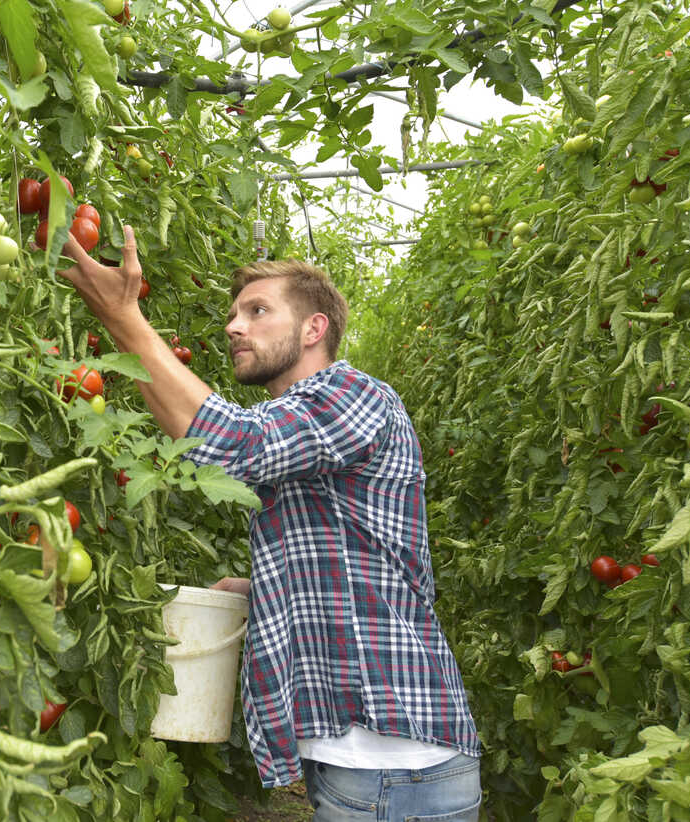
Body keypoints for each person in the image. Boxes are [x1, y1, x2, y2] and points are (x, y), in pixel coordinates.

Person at [59, 226, 482, 821]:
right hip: (366, 767)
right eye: (234, 314)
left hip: (395, 767)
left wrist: (123, 315)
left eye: (258, 311)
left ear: (315, 329)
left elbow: (232, 443)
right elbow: (354, 558)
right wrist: (262, 590)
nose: (234, 327)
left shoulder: (354, 394)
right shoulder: (302, 428)